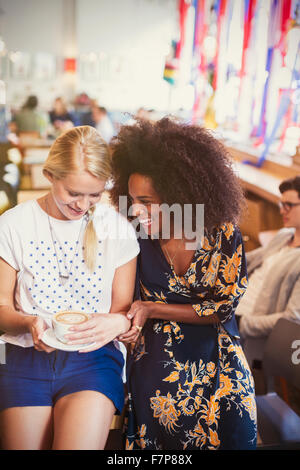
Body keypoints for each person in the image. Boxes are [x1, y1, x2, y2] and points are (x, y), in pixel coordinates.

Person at [110, 117, 257, 450]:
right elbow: (125, 300)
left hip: (217, 355)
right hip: (156, 360)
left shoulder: (221, 232)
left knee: (232, 419)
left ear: (179, 194)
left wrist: (152, 308)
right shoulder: (135, 234)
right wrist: (129, 322)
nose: (135, 209)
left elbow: (222, 308)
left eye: (146, 201)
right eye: (131, 199)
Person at [0, 125, 139, 450]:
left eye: (94, 195)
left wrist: (118, 322)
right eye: (73, 193)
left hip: (93, 359)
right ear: (50, 175)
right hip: (23, 355)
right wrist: (30, 323)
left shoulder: (118, 229)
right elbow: (1, 310)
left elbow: (121, 308)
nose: (83, 205)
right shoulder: (13, 224)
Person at [236, 176, 300, 359]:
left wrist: (241, 323)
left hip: (245, 327)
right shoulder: (285, 235)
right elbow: (248, 259)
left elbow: (291, 319)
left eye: (289, 205)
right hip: (232, 302)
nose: (282, 211)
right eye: (281, 204)